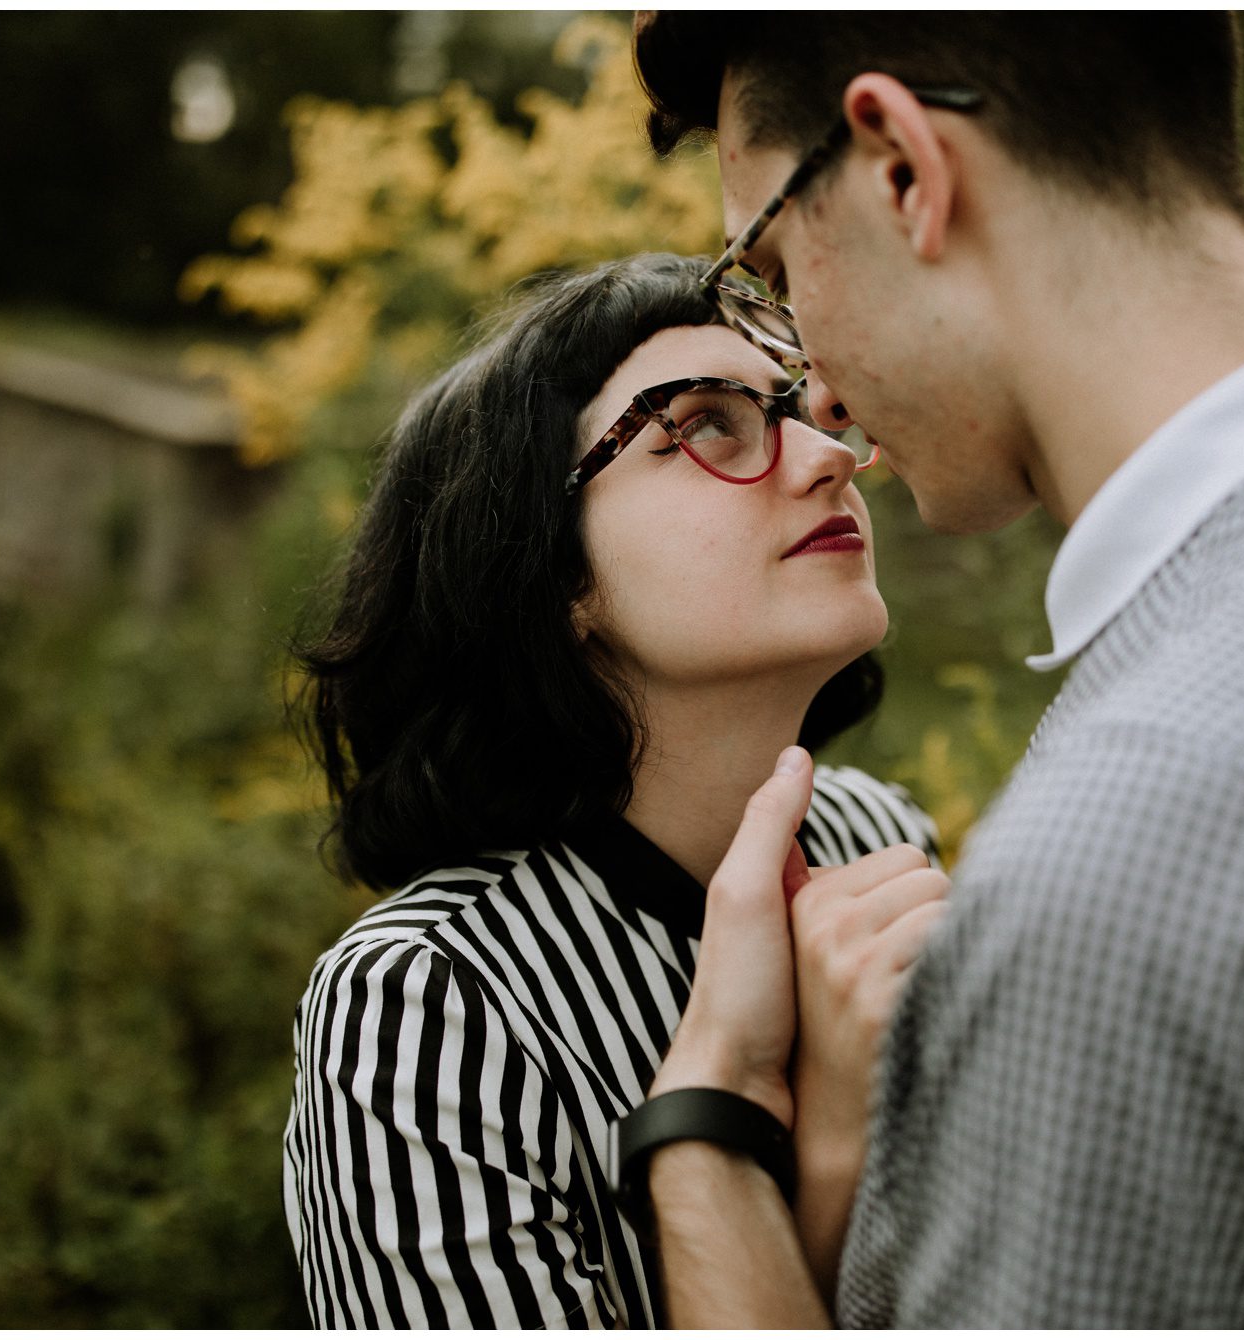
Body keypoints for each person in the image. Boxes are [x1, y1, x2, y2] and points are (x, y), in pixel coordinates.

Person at [623, 11, 1244, 1327]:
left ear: (904, 169)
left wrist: (699, 1141)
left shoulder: (1146, 846)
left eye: (771, 262)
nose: (813, 391)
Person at [281, 253, 947, 1328]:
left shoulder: (880, 836)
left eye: (796, 411)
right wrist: (823, 1156)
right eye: (707, 425)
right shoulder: (432, 1003)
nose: (829, 457)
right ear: (556, 575)